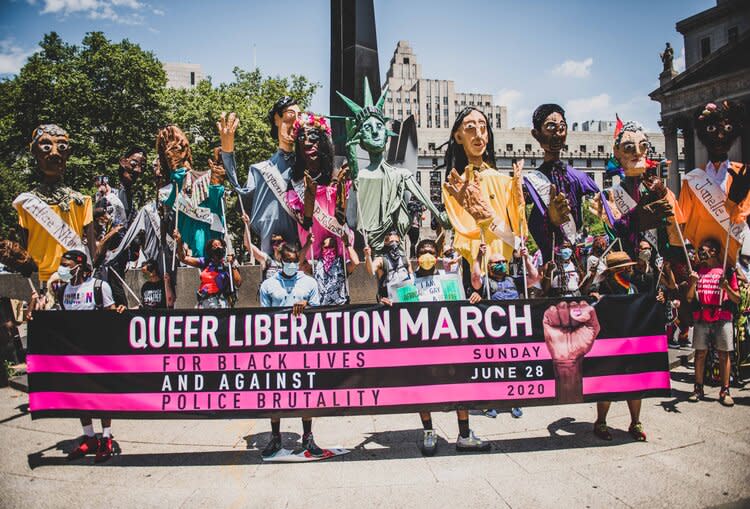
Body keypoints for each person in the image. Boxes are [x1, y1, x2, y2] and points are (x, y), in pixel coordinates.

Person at [337, 78, 449, 253]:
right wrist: (350, 144)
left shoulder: (401, 174)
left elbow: (423, 198)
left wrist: (439, 215)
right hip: (370, 252)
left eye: (380, 126)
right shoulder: (361, 178)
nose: (375, 131)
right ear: (361, 140)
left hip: (396, 249)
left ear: (387, 135)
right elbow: (353, 213)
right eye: (367, 128)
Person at [51, 249, 125, 463]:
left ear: (79, 265)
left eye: (67, 264)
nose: (63, 268)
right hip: (75, 354)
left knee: (101, 398)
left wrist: (118, 312)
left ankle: (106, 438)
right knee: (80, 397)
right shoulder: (63, 290)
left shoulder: (99, 287)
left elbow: (111, 317)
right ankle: (89, 436)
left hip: (98, 353)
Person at [258, 243, 322, 457]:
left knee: (305, 391)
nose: (292, 264)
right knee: (275, 391)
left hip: (303, 345)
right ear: (280, 259)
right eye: (288, 261)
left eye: (296, 261)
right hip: (277, 345)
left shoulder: (309, 282)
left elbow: (319, 313)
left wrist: (307, 306)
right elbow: (263, 317)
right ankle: (276, 437)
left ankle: (307, 436)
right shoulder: (268, 285)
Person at [442, 107, 525, 270]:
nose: (478, 135)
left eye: (483, 127)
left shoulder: (504, 181)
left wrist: (489, 218)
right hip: (473, 269)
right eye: (470, 128)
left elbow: (518, 239)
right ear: (458, 137)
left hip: (503, 266)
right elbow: (464, 233)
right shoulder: (454, 187)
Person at [13, 124, 97, 286]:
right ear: (34, 152)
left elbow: (93, 254)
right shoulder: (26, 203)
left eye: (61, 146)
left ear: (68, 153)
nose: (54, 152)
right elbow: (24, 251)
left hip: (72, 281)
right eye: (46, 146)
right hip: (39, 282)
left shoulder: (82, 201)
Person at [525, 104, 606, 262]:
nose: (557, 133)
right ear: (536, 134)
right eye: (550, 127)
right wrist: (549, 218)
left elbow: (599, 208)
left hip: (574, 255)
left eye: (562, 127)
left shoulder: (578, 177)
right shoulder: (532, 181)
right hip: (548, 259)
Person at [221, 101, 302, 256]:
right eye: (288, 119)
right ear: (276, 120)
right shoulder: (259, 170)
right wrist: (227, 150)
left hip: (301, 251)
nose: (293, 126)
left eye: (298, 121)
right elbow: (240, 191)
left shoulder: (306, 167)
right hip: (268, 248)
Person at [678, 101, 750, 270]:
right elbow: (681, 221)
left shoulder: (743, 174)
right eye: (712, 130)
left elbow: (742, 216)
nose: (719, 136)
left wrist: (734, 200)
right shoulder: (692, 179)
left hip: (736, 256)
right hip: (704, 257)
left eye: (726, 130)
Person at [592, 251, 648, 441]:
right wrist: (596, 301)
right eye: (626, 268)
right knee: (607, 384)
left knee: (635, 385)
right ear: (616, 270)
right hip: (609, 343)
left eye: (630, 267)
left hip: (631, 343)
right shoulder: (602, 288)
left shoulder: (633, 288)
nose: (630, 270)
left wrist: (657, 302)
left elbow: (643, 309)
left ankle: (635, 422)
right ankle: (600, 422)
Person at [686, 237, 741, 407]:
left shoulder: (727, 271)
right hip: (702, 316)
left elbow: (737, 299)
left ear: (714, 251)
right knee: (700, 353)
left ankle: (725, 390)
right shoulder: (697, 271)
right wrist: (693, 284)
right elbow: (689, 298)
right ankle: (698, 388)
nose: (701, 251)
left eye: (705, 248)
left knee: (724, 354)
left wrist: (727, 288)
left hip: (722, 316)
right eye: (700, 248)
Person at [159, 125, 226, 258]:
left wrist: (215, 185)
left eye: (176, 148)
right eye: (167, 152)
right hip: (185, 251)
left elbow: (216, 207)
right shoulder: (171, 188)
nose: (171, 155)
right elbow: (168, 215)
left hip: (210, 249)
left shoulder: (204, 178)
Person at [174, 230, 241, 309]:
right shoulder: (206, 262)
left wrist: (232, 264)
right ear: (210, 250)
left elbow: (238, 283)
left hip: (219, 302)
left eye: (220, 245)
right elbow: (184, 259)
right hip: (203, 301)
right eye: (215, 246)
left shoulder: (227, 265)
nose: (218, 247)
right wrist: (179, 242)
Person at [364, 231, 412, 305]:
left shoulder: (405, 260)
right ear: (386, 243)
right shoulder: (381, 260)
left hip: (405, 298)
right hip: (388, 300)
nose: (394, 244)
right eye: (391, 241)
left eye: (396, 241)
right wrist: (368, 256)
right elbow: (371, 271)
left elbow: (412, 279)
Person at [311, 234, 360, 305]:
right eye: (326, 247)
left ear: (336, 247)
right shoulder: (316, 264)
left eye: (331, 247)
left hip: (340, 307)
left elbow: (356, 262)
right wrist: (308, 243)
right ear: (322, 247)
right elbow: (301, 264)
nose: (329, 250)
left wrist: (347, 244)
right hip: (321, 308)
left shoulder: (341, 263)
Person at [115, 146, 147, 227]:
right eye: (133, 164)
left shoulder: (130, 196)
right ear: (123, 162)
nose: (138, 170)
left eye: (142, 167)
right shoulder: (111, 193)